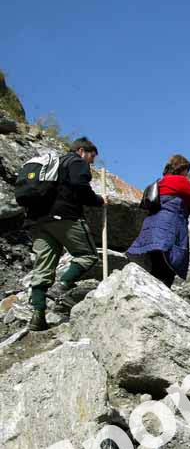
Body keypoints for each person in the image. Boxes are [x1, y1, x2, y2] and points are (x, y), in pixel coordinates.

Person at [25, 137, 106, 331]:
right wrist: (98, 200)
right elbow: (80, 187)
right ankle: (62, 285)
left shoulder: (51, 165)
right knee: (88, 255)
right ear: (81, 151)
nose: (91, 162)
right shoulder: (76, 162)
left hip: (37, 221)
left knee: (42, 268)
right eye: (91, 157)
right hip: (64, 216)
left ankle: (38, 316)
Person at [127, 155, 190, 287]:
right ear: (181, 168)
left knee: (155, 267)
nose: (188, 174)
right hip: (168, 231)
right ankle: (160, 301)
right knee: (167, 269)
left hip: (150, 230)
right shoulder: (180, 181)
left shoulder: (160, 182)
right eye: (187, 170)